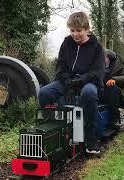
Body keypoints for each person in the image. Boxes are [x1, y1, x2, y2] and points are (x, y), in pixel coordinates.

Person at [38, 12, 105, 154]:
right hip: (67, 81)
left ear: (87, 29)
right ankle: (55, 128)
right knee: (44, 92)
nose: (75, 34)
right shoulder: (67, 43)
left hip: (88, 82)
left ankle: (90, 137)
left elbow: (98, 71)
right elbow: (61, 66)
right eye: (72, 30)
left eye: (79, 30)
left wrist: (81, 80)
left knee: (89, 93)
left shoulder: (97, 47)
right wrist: (68, 82)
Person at [102, 49, 124, 128]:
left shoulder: (120, 65)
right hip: (101, 89)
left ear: (109, 58)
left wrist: (114, 79)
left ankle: (114, 118)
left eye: (104, 58)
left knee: (112, 89)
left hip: (116, 92)